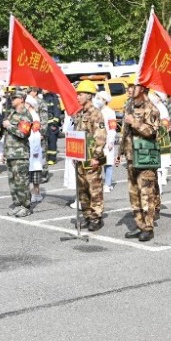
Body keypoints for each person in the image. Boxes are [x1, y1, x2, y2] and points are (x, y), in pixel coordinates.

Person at [117, 75, 161, 242]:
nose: (129, 89)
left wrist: (134, 122)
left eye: (132, 86)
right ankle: (139, 224)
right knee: (134, 193)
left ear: (142, 89)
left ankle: (148, 227)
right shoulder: (129, 106)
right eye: (128, 86)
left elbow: (151, 131)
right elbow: (125, 132)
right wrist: (120, 151)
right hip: (130, 156)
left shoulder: (151, 108)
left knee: (147, 194)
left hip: (145, 156)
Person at [72, 80, 108, 231]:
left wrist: (96, 156)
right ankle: (87, 215)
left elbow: (101, 136)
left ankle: (96, 217)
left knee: (94, 188)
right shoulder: (80, 113)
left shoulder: (96, 114)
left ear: (88, 96)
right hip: (81, 157)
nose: (78, 96)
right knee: (83, 189)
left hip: (91, 158)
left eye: (80, 94)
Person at [2, 90, 37, 217]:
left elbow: (23, 133)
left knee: (22, 182)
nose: (11, 99)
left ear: (21, 99)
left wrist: (9, 126)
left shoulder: (25, 114)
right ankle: (18, 204)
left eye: (14, 97)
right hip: (11, 153)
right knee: (13, 183)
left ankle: (26, 206)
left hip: (20, 154)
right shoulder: (11, 113)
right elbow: (7, 136)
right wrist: (4, 152)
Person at [95, 90, 118, 193]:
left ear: (105, 101)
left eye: (99, 98)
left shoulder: (110, 112)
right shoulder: (95, 110)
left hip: (107, 140)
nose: (97, 100)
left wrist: (110, 141)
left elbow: (112, 128)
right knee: (97, 163)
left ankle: (107, 184)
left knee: (108, 164)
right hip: (97, 140)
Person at [42, 91, 62, 166]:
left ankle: (52, 158)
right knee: (45, 142)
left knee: (52, 142)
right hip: (44, 124)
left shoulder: (54, 98)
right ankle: (47, 157)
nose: (42, 90)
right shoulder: (43, 98)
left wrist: (55, 123)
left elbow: (57, 111)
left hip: (52, 124)